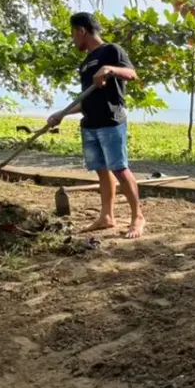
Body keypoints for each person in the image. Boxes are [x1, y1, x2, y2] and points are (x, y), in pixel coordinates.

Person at [47, 12, 145, 238]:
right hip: (90, 123)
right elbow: (86, 100)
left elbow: (132, 74)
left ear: (81, 30)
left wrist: (110, 69)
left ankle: (138, 217)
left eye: (73, 34)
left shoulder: (112, 50)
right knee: (102, 170)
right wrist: (62, 114)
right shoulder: (84, 64)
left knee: (119, 168)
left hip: (111, 120)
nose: (73, 39)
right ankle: (107, 216)